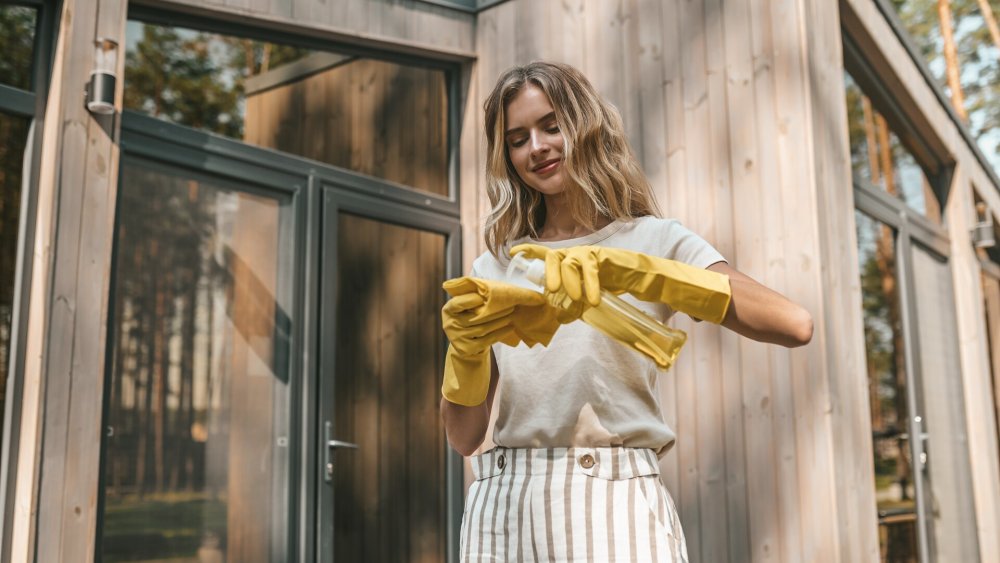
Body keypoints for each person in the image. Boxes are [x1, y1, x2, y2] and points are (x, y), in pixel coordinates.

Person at [439, 61, 813, 562]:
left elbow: (794, 324)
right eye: (518, 138)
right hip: (507, 505)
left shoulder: (655, 241)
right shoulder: (496, 267)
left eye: (553, 126)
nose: (538, 147)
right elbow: (464, 437)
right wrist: (464, 352)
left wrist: (645, 274)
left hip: (616, 501)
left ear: (586, 126)